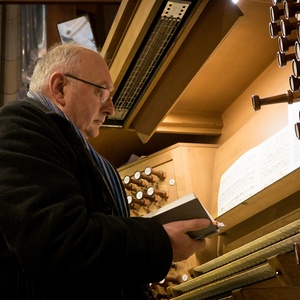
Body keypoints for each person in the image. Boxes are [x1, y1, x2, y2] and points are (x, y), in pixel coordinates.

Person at [0, 43, 210, 300]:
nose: (110, 108)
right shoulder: (17, 125)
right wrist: (160, 242)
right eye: (101, 92)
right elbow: (62, 245)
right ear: (60, 88)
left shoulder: (58, 139)